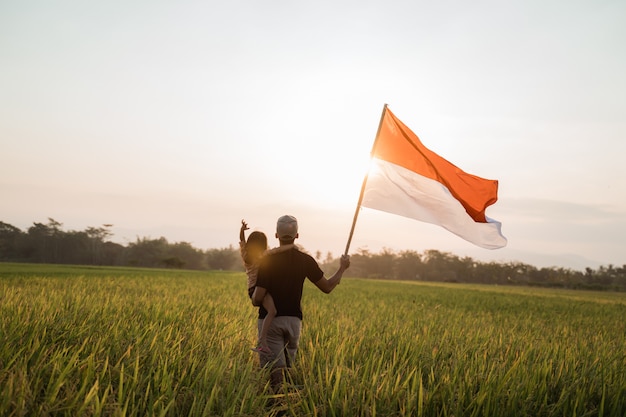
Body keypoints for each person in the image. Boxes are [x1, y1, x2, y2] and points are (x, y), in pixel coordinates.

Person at [253, 215, 350, 391]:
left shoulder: (267, 260)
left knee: (274, 375)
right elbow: (327, 287)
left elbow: (258, 297)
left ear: (276, 235)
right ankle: (288, 403)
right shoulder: (305, 260)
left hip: (271, 322)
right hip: (294, 323)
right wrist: (342, 268)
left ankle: (276, 407)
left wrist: (253, 298)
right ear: (297, 235)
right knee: (287, 371)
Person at [239, 220, 277, 354]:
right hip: (259, 288)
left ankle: (263, 341)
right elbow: (278, 250)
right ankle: (262, 342)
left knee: (271, 311)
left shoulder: (246, 255)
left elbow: (242, 242)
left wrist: (242, 230)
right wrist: (291, 247)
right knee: (272, 311)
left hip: (252, 289)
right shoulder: (263, 256)